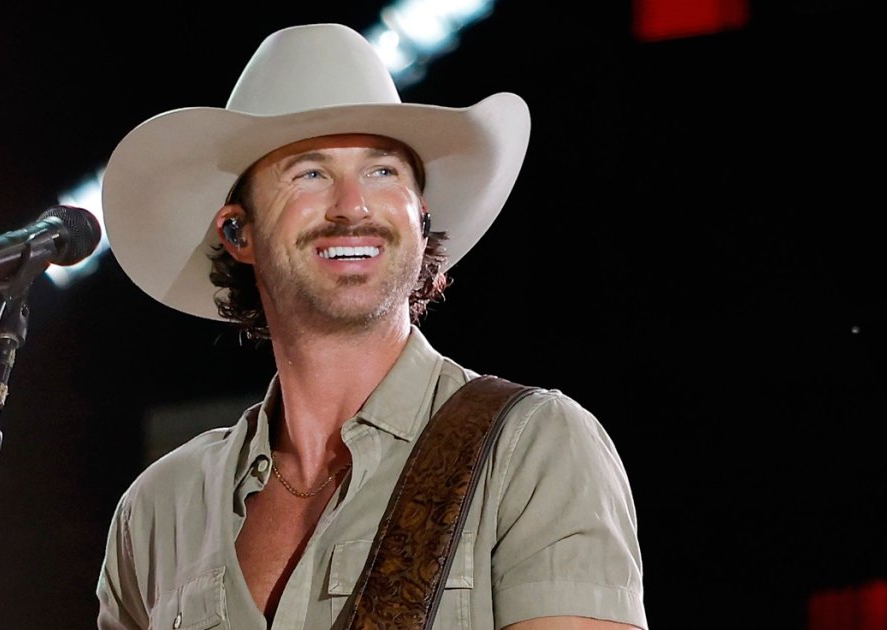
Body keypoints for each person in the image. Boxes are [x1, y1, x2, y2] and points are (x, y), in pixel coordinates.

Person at [95, 23, 647, 630]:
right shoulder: (158, 510)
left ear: (421, 217)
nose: (352, 206)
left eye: (382, 171)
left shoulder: (532, 448)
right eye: (310, 173)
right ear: (238, 232)